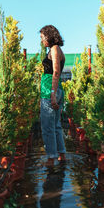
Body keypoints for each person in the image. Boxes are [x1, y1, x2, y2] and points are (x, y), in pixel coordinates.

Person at [40, 25, 66, 167]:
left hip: (50, 91)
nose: (42, 40)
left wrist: (52, 94)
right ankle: (61, 155)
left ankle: (51, 159)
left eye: (43, 37)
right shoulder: (56, 49)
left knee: (47, 127)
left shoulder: (55, 49)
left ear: (49, 35)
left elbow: (56, 72)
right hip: (56, 89)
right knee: (56, 126)